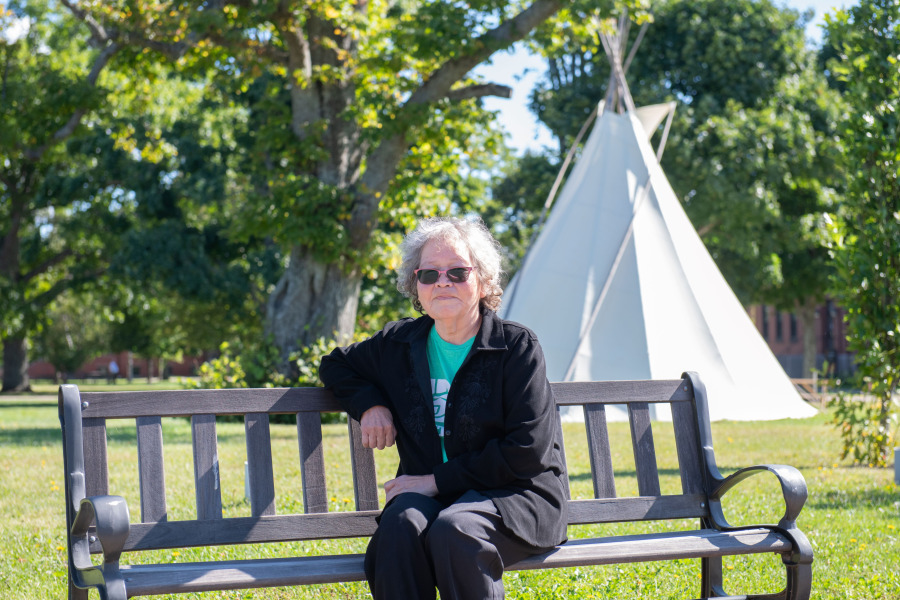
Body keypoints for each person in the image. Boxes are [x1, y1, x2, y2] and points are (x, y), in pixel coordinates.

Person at [319, 216, 568, 600]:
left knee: (456, 529)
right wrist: (371, 405)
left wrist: (435, 481)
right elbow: (336, 364)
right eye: (429, 274)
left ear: (482, 281)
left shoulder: (515, 348)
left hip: (515, 496)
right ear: (415, 285)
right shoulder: (399, 343)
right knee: (400, 526)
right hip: (436, 499)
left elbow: (527, 452)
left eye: (457, 271)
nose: (443, 282)